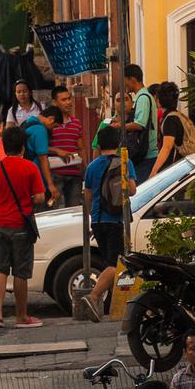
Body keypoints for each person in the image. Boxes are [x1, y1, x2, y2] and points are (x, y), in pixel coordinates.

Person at [0, 126, 46, 329]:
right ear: (23, 147)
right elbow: (40, 197)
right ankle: (21, 316)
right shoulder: (30, 168)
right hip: (20, 226)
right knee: (20, 272)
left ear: (4, 146)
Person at [80, 124, 137, 320]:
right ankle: (94, 295)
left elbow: (87, 196)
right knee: (116, 264)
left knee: (107, 262)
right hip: (115, 219)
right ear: (119, 142)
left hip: (97, 220)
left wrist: (91, 219)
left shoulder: (92, 166)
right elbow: (132, 190)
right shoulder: (124, 162)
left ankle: (108, 307)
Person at [44, 86, 86, 207]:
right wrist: (57, 151)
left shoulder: (76, 122)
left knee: (74, 211)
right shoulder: (49, 124)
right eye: (64, 100)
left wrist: (85, 167)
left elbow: (81, 147)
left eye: (69, 99)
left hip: (75, 176)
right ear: (55, 102)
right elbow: (42, 148)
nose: (68, 102)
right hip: (55, 175)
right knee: (57, 211)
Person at [149, 83, 195, 178]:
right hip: (184, 164)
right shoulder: (178, 115)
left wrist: (154, 172)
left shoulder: (170, 119)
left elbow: (167, 147)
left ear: (159, 99)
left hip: (176, 167)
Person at [125, 64, 157, 175]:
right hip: (143, 155)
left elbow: (140, 124)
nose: (125, 85)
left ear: (132, 79)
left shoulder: (143, 98)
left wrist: (120, 126)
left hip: (146, 155)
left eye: (126, 81)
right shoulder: (140, 97)